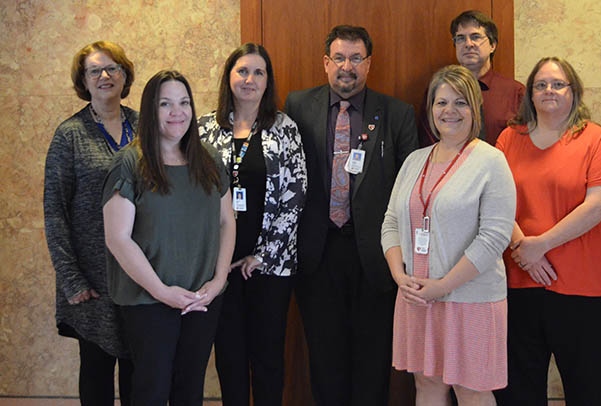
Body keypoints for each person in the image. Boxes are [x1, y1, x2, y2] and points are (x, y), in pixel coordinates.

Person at [284, 25, 418, 406]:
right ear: (326, 63)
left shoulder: (396, 113)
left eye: (356, 58)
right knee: (324, 361)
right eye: (339, 58)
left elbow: (409, 189)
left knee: (373, 362)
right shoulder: (297, 106)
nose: (348, 67)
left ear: (369, 63)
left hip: (375, 258)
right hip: (318, 253)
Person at [382, 65, 515, 406]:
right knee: (427, 386)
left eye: (460, 103)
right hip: (416, 297)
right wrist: (400, 276)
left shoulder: (491, 161)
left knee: (472, 391)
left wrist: (442, 286)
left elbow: (494, 238)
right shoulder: (414, 160)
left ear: (475, 109)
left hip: (470, 298)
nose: (449, 112)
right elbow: (391, 223)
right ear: (430, 109)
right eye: (441, 103)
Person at [493, 57, 601, 406]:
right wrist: (524, 250)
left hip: (585, 286)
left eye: (558, 84)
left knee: (590, 390)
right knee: (517, 391)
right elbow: (494, 201)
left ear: (573, 91)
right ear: (530, 94)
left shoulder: (594, 138)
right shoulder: (508, 138)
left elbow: (599, 204)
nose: (549, 90)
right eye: (541, 84)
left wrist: (541, 245)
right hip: (519, 284)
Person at [102, 70, 236, 406]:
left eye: (183, 102)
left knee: (189, 390)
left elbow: (226, 222)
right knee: (151, 389)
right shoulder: (130, 163)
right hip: (148, 302)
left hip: (201, 298)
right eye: (165, 104)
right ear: (150, 111)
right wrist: (162, 292)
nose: (177, 112)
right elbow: (118, 238)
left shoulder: (209, 161)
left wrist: (218, 281)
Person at [198, 43, 307, 406]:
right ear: (229, 77)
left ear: (268, 81)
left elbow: (296, 195)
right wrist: (219, 260)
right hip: (220, 267)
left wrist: (261, 256)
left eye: (258, 72)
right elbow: (195, 199)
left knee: (268, 359)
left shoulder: (284, 128)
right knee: (228, 358)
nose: (249, 79)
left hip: (270, 267)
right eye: (242, 71)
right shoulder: (204, 131)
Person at [43, 40, 136, 405]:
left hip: (139, 274)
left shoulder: (146, 126)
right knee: (96, 373)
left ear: (125, 74)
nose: (104, 75)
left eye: (112, 67)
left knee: (138, 371)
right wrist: (70, 278)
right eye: (94, 70)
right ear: (83, 80)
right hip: (91, 278)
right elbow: (55, 210)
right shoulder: (69, 135)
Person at [419, 10, 524, 147]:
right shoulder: (439, 91)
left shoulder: (516, 93)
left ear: (492, 45)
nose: (468, 44)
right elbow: (429, 143)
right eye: (461, 38)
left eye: (475, 37)